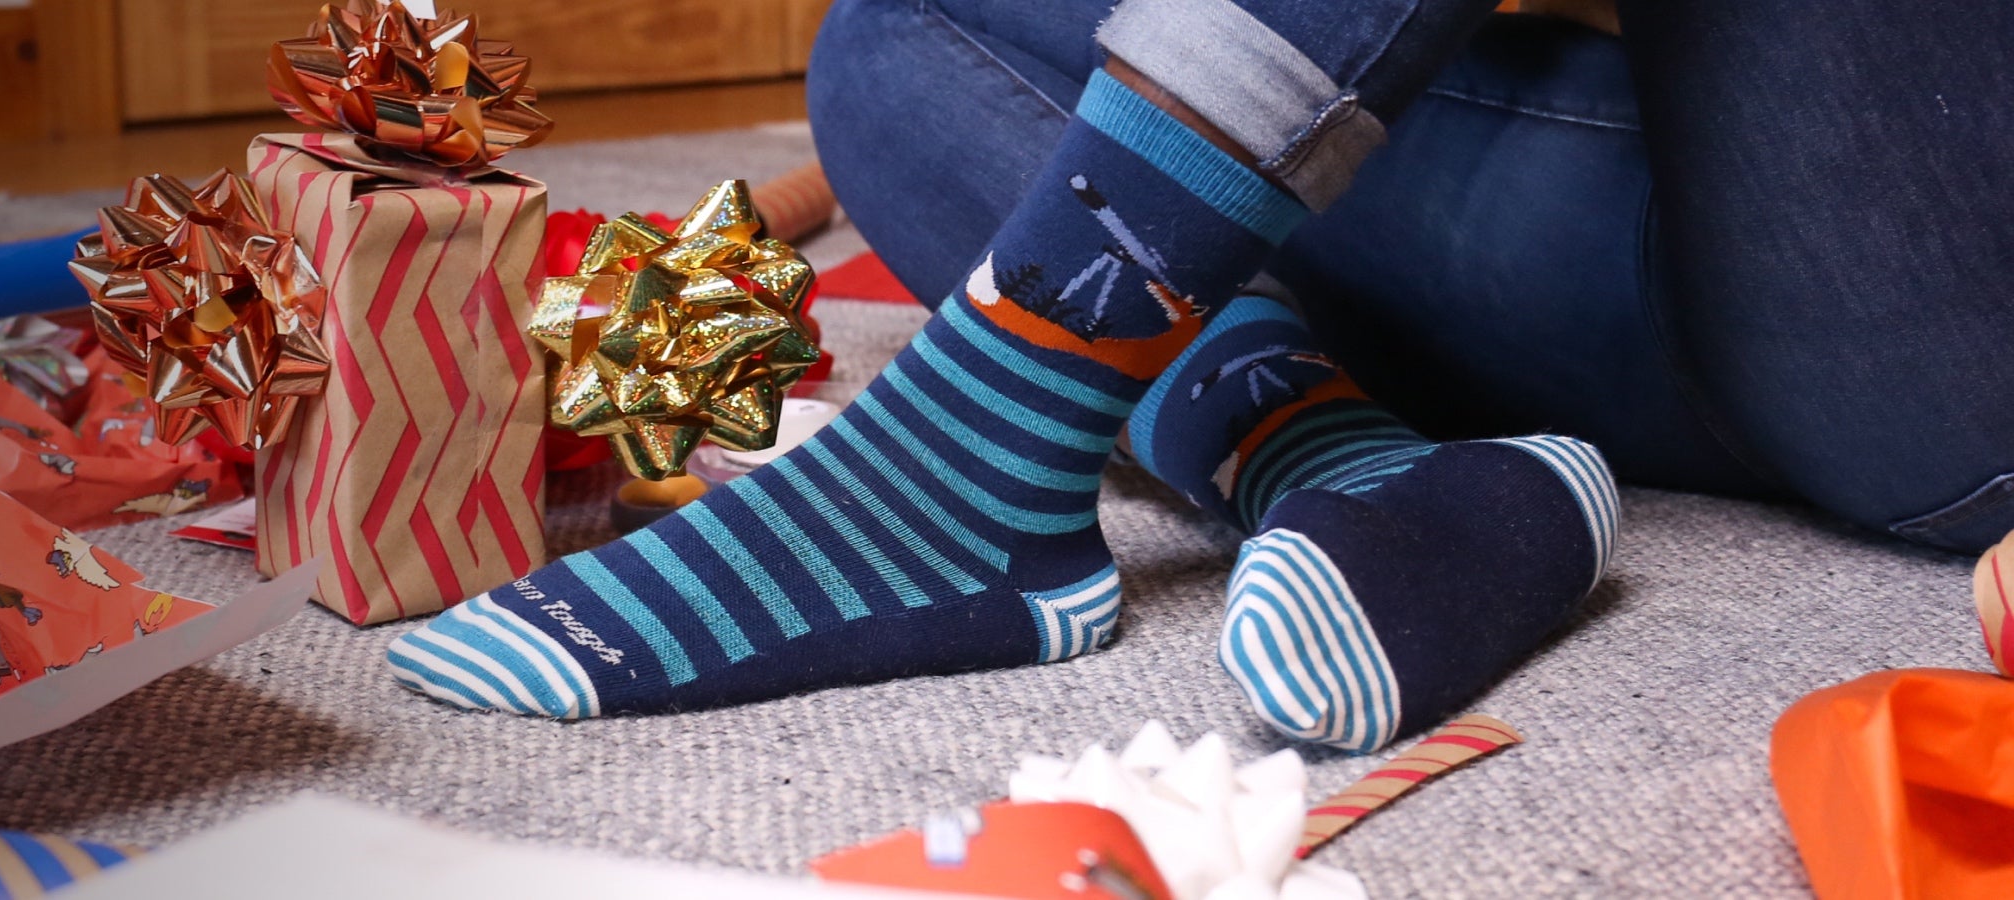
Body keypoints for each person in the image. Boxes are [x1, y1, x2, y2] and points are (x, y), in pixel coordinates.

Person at [380, 0, 2014, 751]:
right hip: (1731, 218)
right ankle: (1351, 469)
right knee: (900, 45)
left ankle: (963, 467)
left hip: (1944, 292)